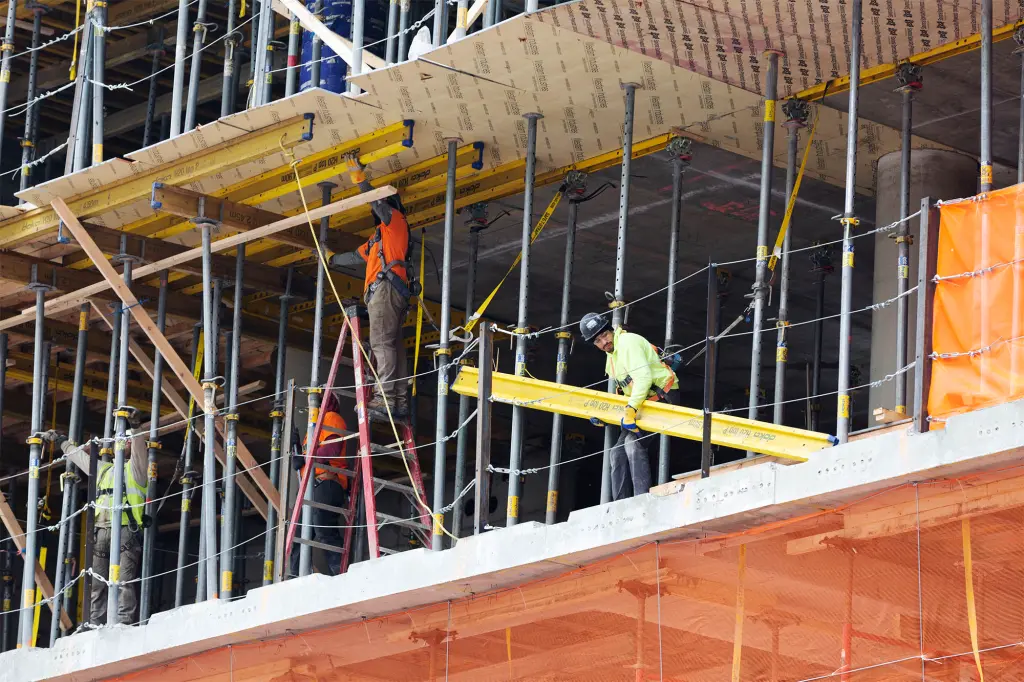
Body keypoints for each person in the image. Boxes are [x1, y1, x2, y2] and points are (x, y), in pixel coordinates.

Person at [328, 152, 412, 421]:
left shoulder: (396, 221)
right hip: (389, 290)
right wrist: (330, 258)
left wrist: (360, 180)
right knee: (392, 345)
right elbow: (356, 256)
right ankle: (397, 401)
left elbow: (378, 205)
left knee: (381, 344)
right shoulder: (379, 238)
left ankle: (385, 398)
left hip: (386, 290)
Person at [43, 413, 147, 626]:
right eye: (123, 439)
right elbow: (80, 457)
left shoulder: (136, 470)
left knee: (123, 582)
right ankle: (93, 623)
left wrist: (135, 428)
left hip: (126, 530)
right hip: (101, 531)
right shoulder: (104, 470)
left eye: (128, 440)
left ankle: (123, 623)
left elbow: (138, 449)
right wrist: (61, 441)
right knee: (96, 583)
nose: (126, 443)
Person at [579, 312, 680, 500]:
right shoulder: (611, 358)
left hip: (662, 398)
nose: (604, 342)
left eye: (605, 335)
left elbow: (643, 379)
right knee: (616, 453)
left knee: (632, 444)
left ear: (611, 331)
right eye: (598, 341)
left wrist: (631, 409)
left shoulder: (628, 343)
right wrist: (607, 416)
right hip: (643, 402)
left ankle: (641, 501)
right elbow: (625, 391)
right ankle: (621, 505)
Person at [291, 409, 350, 576]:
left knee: (324, 529)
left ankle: (341, 575)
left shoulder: (331, 417)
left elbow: (331, 450)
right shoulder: (312, 431)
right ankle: (296, 577)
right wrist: (297, 455)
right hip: (308, 488)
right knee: (298, 536)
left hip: (327, 483)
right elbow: (306, 464)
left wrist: (305, 457)